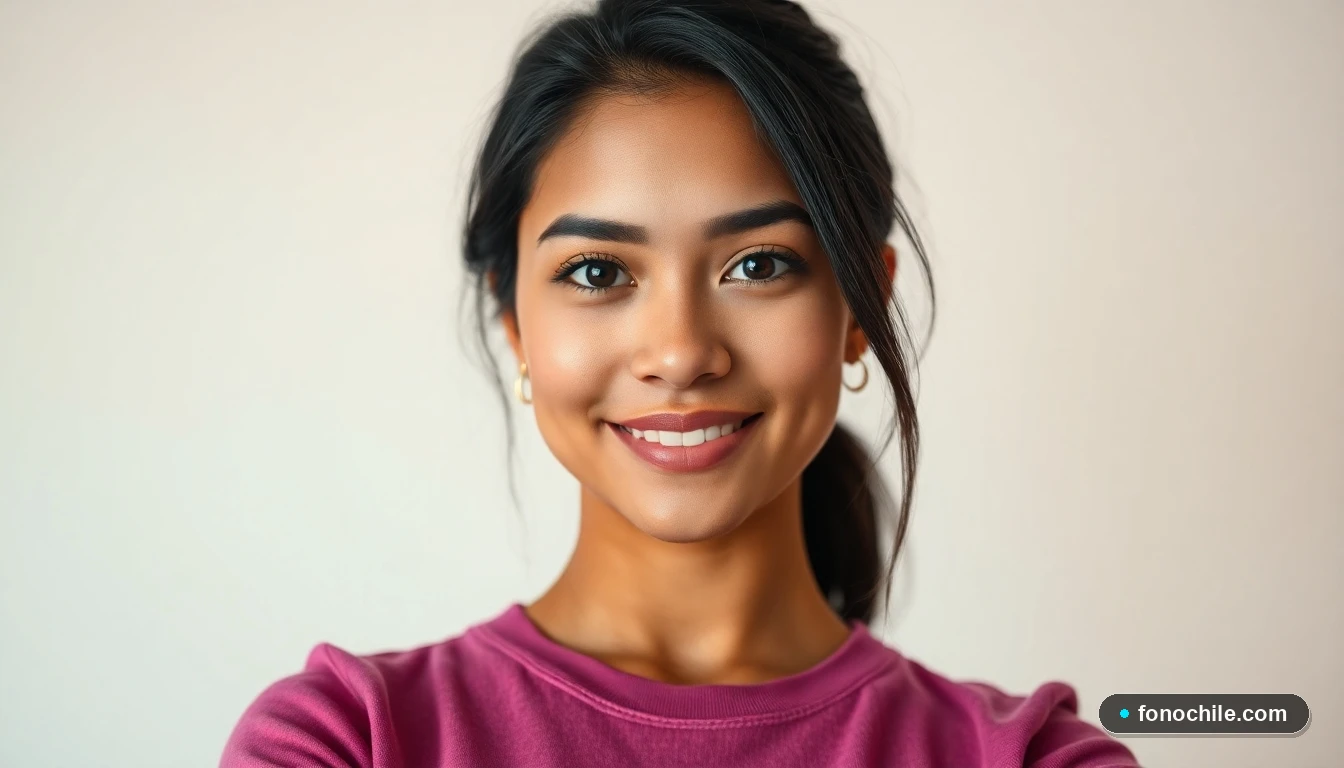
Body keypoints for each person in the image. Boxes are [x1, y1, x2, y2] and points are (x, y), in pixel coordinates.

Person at [221, 1, 1139, 765]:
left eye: (759, 265)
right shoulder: (346, 741)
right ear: (514, 324)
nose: (681, 352)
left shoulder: (1038, 760)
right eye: (596, 272)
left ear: (862, 305)